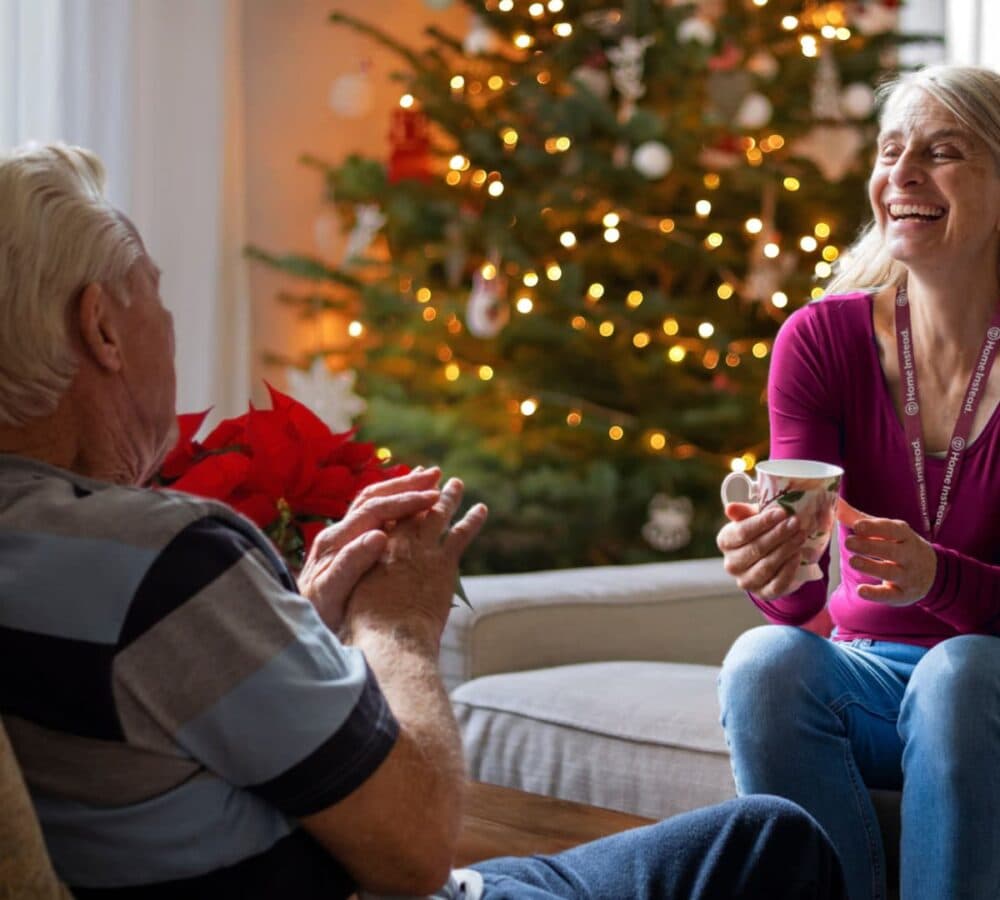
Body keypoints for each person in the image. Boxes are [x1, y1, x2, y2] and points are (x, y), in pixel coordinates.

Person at [0, 142, 846, 900]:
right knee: (771, 838)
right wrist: (398, 626)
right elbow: (412, 852)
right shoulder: (164, 563)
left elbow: (165, 733)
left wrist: (295, 620)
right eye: (155, 297)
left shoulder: (63, 557)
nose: (171, 325)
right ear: (102, 327)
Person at [715, 64, 1000, 900]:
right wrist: (772, 565)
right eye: (891, 151)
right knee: (763, 661)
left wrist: (937, 579)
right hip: (870, 673)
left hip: (986, 680)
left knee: (960, 675)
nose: (902, 175)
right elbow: (799, 608)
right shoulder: (821, 340)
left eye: (942, 152)